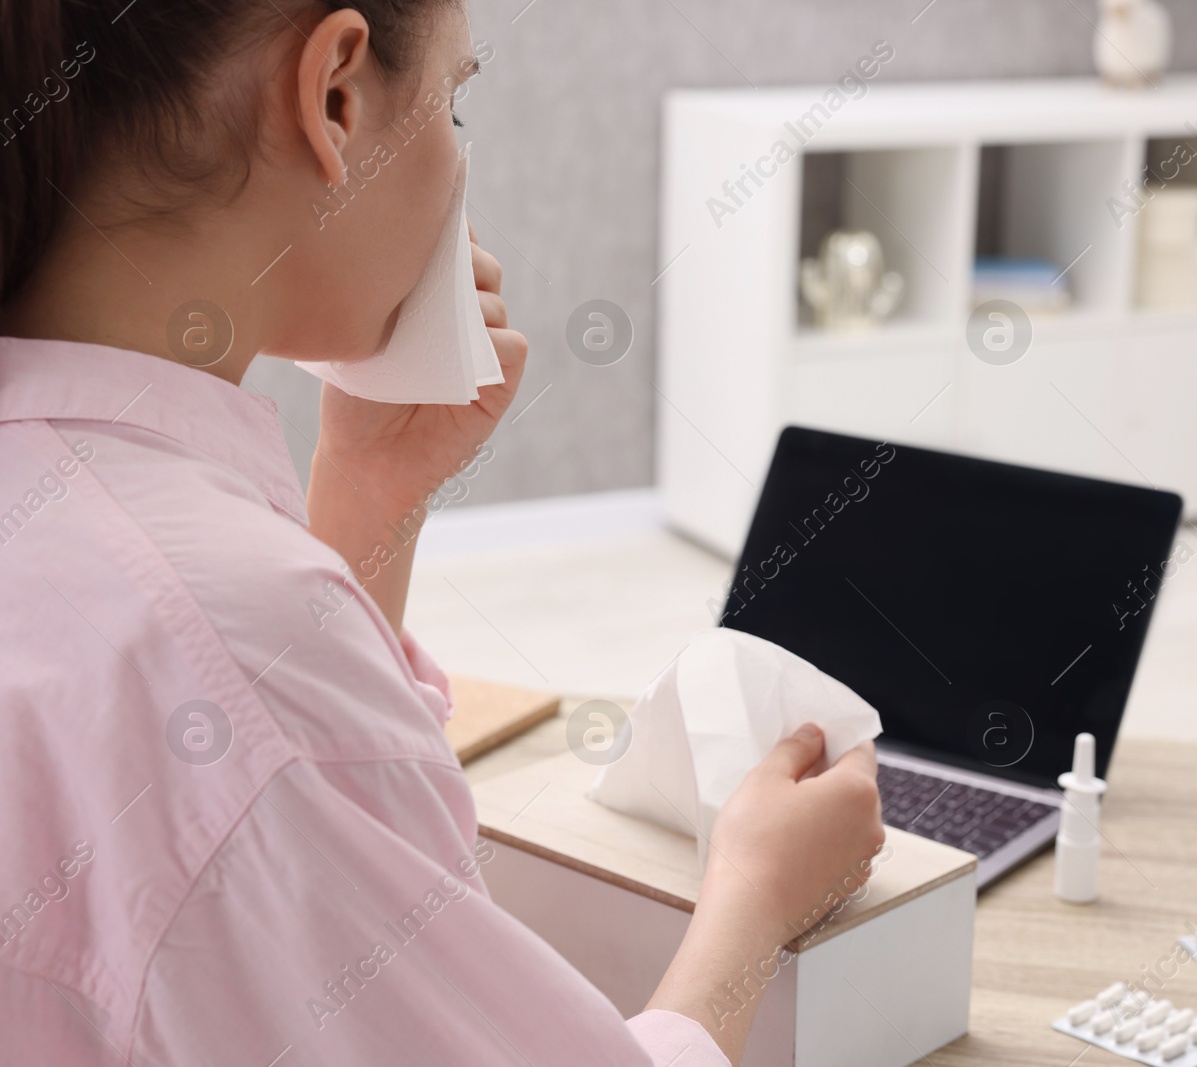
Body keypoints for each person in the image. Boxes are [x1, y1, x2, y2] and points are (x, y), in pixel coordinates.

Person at [0, 2, 884, 1064]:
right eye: (453, 101)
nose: (456, 150)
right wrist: (755, 898)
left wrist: (369, 494)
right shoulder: (226, 631)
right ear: (333, 95)